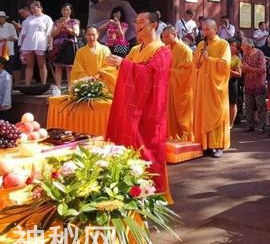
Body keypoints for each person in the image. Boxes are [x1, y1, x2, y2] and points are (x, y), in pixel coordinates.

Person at [105, 12, 171, 194]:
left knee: (148, 149)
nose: (137, 25)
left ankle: (150, 192)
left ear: (154, 25)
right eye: (136, 22)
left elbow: (151, 74)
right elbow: (125, 70)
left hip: (150, 111)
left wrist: (124, 65)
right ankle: (127, 188)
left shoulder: (162, 51)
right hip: (132, 108)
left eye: (142, 22)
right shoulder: (134, 50)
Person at [193, 19, 231, 158]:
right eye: (204, 29)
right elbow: (196, 64)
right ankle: (205, 145)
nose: (205, 32)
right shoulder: (201, 44)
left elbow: (225, 64)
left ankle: (218, 145)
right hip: (204, 85)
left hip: (216, 86)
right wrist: (199, 57)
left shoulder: (223, 44)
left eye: (208, 29)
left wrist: (210, 59)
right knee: (204, 112)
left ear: (215, 29)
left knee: (216, 112)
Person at [161, 25, 194, 141]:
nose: (165, 40)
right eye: (163, 37)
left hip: (182, 88)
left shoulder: (185, 50)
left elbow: (187, 71)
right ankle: (173, 136)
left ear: (174, 35)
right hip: (170, 87)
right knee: (170, 114)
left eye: (167, 37)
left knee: (182, 115)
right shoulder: (168, 49)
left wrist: (169, 71)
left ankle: (186, 137)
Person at [69, 27, 117, 93]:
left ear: (97, 35)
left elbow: (108, 67)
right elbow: (77, 69)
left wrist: (97, 76)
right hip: (85, 83)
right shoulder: (80, 52)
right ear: (85, 36)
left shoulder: (105, 50)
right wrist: (87, 79)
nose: (91, 37)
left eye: (93, 35)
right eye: (89, 35)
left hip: (101, 82)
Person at [18, 1, 53, 86]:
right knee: (29, 65)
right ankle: (27, 85)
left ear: (40, 8)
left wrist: (50, 45)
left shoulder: (47, 18)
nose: (32, 10)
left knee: (42, 64)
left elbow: (49, 33)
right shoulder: (28, 19)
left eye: (34, 7)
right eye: (31, 8)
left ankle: (43, 84)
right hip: (28, 43)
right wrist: (21, 46)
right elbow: (23, 33)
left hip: (41, 42)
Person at [50, 3, 80, 90]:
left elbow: (76, 33)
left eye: (67, 10)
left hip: (69, 46)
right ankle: (58, 88)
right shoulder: (57, 22)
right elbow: (52, 34)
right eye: (63, 10)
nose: (65, 12)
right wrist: (59, 27)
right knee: (58, 67)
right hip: (58, 46)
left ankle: (70, 88)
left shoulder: (74, 22)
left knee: (69, 68)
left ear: (70, 11)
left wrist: (66, 28)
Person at [240, 38, 267, 133]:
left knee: (260, 106)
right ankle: (249, 125)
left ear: (249, 46)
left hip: (258, 84)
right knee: (248, 106)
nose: (241, 47)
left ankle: (261, 126)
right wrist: (243, 69)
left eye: (243, 45)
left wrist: (248, 68)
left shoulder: (259, 54)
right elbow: (244, 68)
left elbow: (262, 70)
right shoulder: (244, 55)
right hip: (248, 84)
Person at [9, 6, 30, 84]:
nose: (21, 15)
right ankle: (16, 82)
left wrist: (20, 28)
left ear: (27, 10)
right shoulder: (23, 20)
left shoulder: (32, 19)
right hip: (20, 43)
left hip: (31, 44)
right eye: (20, 13)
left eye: (22, 13)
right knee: (16, 62)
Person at [228, 39, 243, 129]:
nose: (231, 47)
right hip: (222, 82)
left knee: (232, 103)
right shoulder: (223, 56)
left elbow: (239, 74)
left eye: (234, 46)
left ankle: (231, 123)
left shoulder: (237, 59)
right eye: (230, 45)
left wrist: (229, 71)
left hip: (232, 82)